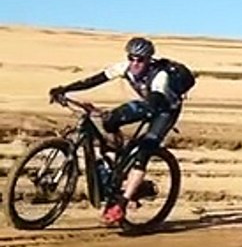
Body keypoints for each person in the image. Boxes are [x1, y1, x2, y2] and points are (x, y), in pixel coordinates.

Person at [48, 36, 192, 226]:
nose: (135, 63)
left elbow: (155, 101)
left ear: (149, 60)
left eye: (140, 60)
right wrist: (65, 89)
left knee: (144, 150)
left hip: (165, 110)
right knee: (109, 123)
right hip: (147, 103)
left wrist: (131, 111)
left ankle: (122, 203)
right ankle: (118, 166)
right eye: (132, 58)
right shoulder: (124, 68)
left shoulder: (160, 76)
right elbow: (96, 79)